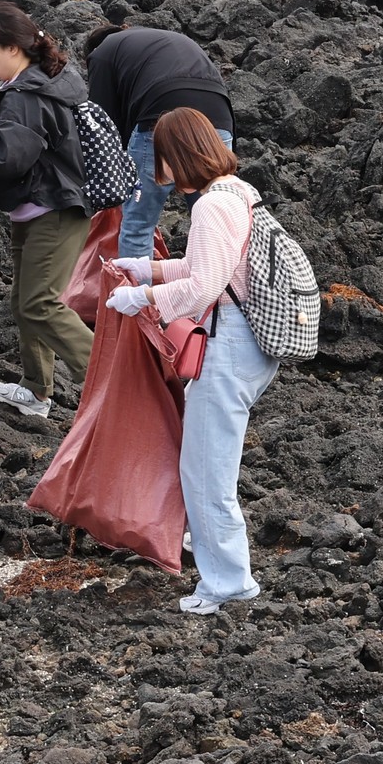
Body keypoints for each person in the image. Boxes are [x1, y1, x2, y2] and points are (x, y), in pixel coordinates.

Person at [103, 108, 275, 615]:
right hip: (248, 343)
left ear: (175, 155)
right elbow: (209, 267)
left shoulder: (210, 207)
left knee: (205, 469)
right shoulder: (237, 192)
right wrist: (148, 269)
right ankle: (226, 576)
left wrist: (145, 300)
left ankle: (226, 584)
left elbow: (206, 285)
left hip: (231, 345)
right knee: (208, 464)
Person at [0, 1, 95, 420]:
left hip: (54, 208)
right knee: (23, 302)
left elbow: (10, 156)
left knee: (39, 304)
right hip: (40, 207)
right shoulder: (48, 80)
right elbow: (18, 145)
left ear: (13, 48)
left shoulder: (24, 93)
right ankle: (36, 391)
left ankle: (117, 385)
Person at [85, 18, 232, 260]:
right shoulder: (154, 40)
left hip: (161, 117)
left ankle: (137, 297)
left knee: (138, 225)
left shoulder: (101, 54)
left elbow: (104, 125)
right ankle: (222, 295)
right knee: (213, 219)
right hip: (217, 117)